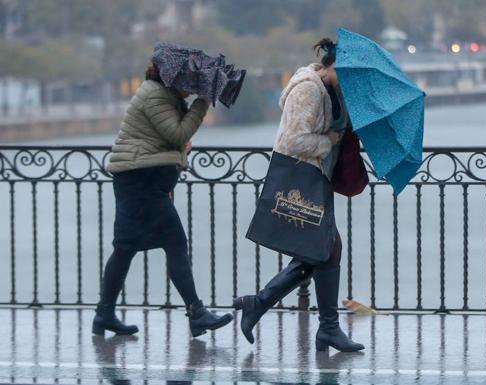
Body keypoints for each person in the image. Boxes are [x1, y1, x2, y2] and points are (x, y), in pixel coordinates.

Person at [234, 38, 365, 352]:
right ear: (332, 65)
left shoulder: (334, 91)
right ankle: (325, 328)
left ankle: (265, 304)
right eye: (347, 72)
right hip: (300, 178)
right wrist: (330, 139)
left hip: (316, 177)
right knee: (326, 249)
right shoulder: (308, 89)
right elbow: (294, 141)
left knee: (322, 250)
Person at [92, 62, 233, 338]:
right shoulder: (154, 95)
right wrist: (204, 101)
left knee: (125, 248)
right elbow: (178, 133)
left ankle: (104, 314)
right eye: (189, 82)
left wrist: (178, 152)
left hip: (143, 181)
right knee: (175, 243)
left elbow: (168, 140)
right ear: (172, 78)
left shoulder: (162, 96)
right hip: (140, 183)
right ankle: (197, 313)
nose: (191, 88)